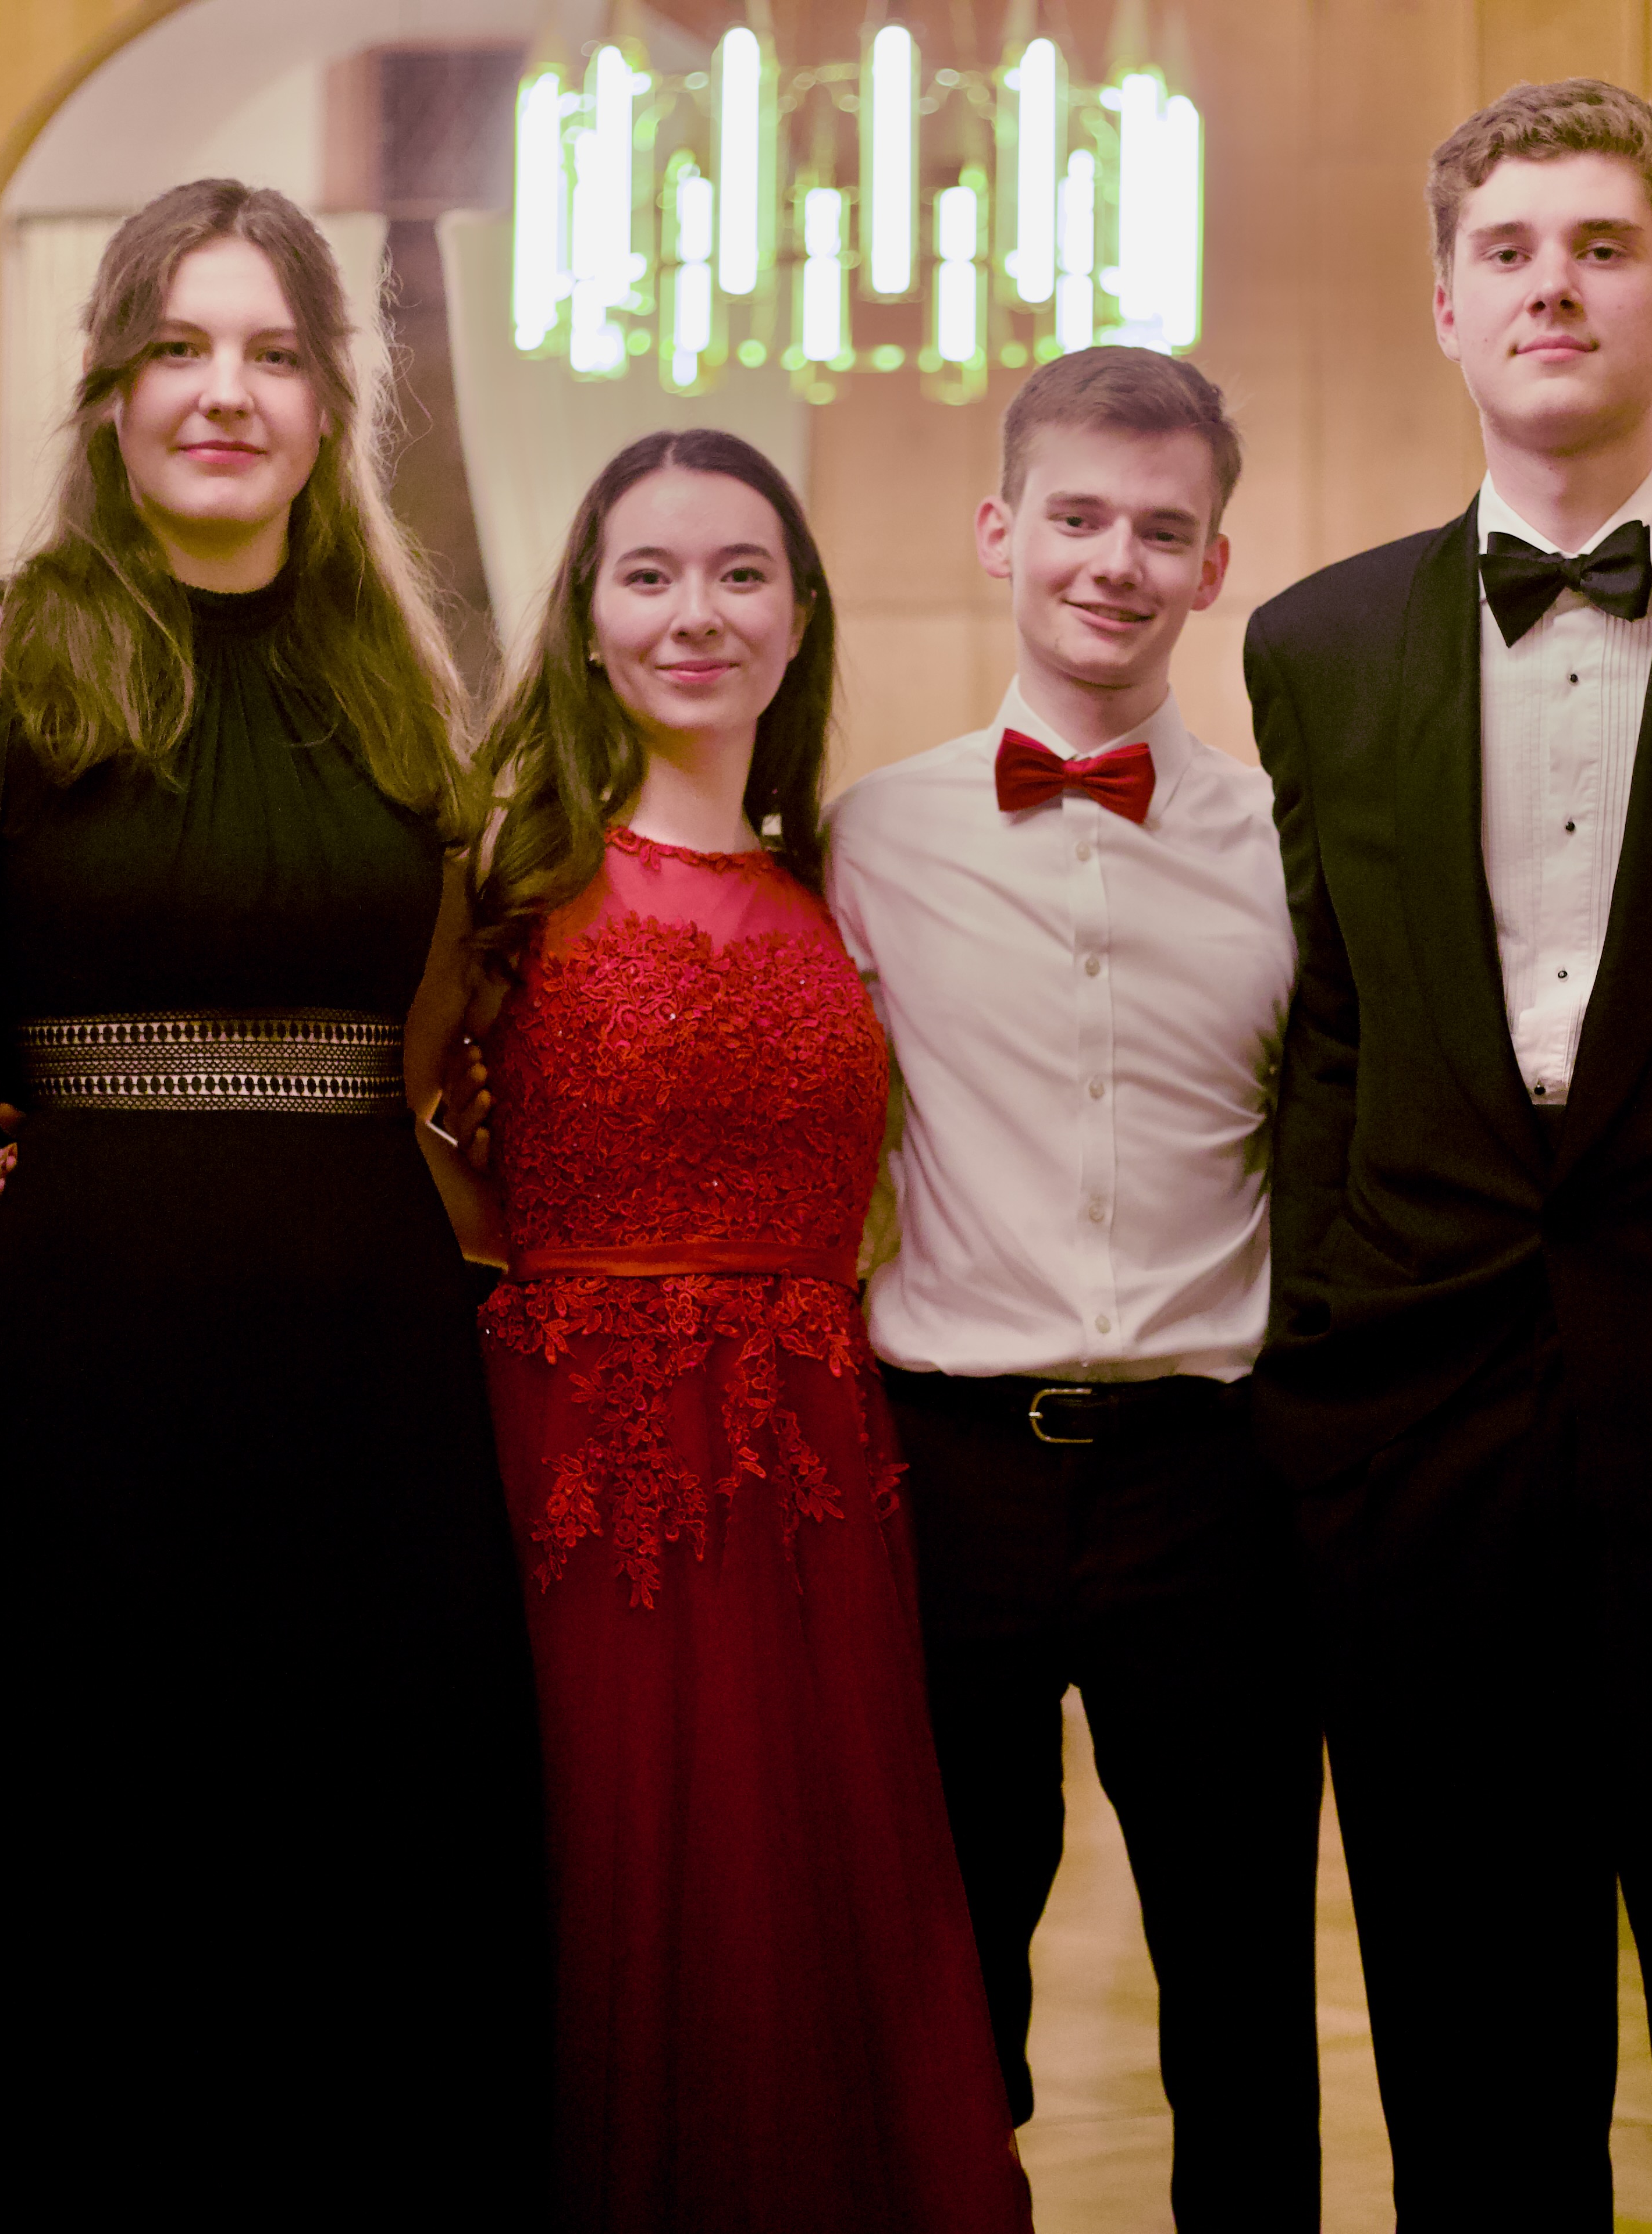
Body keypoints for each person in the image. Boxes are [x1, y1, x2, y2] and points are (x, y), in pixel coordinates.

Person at [0, 179, 546, 2221]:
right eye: (178, 347)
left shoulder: (414, 680)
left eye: (272, 354)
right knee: (91, 1902)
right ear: (109, 385)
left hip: (370, 1382)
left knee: (377, 1897)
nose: (223, 393)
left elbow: (420, 1073)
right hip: (86, 1383)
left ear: (334, 404)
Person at [1241, 79, 1652, 2226]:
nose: (1552, 287)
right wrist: (1323, 1375)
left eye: (1600, 247)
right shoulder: (1311, 645)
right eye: (1508, 251)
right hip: (1418, 1432)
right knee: (1472, 2046)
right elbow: (1329, 1030)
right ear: (1444, 307)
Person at [455, 427, 1029, 2234]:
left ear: (798, 619)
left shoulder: (842, 886)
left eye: (738, 573)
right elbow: (401, 1128)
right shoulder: (502, 876)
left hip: (812, 1477)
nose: (694, 612)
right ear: (587, 616)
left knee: (812, 1894)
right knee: (608, 1875)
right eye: (649, 574)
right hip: (580, 1468)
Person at [824, 347, 1322, 2228]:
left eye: (1162, 530)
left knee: (1242, 1982)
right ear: (1000, 531)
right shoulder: (871, 839)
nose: (1116, 561)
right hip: (944, 1469)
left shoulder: (1290, 850)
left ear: (1215, 566)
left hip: (1217, 1479)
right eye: (1080, 517)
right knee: (951, 1971)